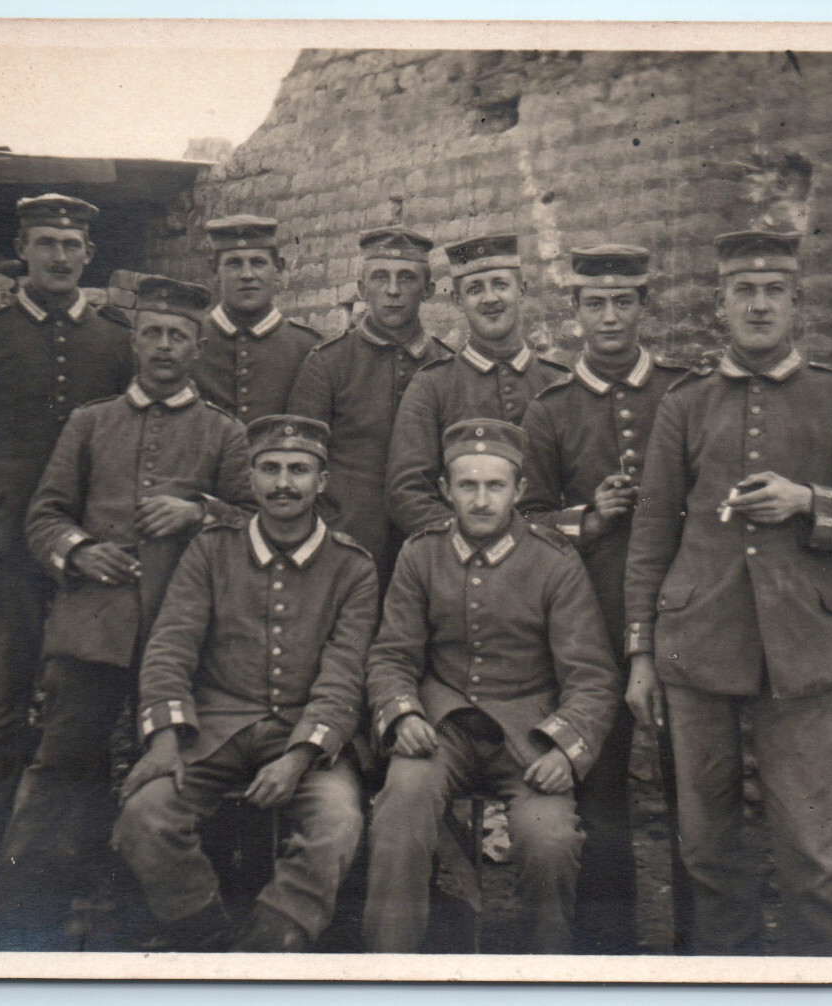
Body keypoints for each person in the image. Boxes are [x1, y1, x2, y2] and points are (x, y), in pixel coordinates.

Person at [624, 231, 832, 956]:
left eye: (773, 291)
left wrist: (808, 501)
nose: (759, 305)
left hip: (804, 650)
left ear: (796, 303)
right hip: (697, 647)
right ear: (720, 306)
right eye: (744, 292)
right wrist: (641, 654)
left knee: (816, 851)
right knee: (707, 849)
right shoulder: (685, 403)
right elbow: (652, 534)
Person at [0, 276, 254, 941]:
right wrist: (78, 552)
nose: (164, 346)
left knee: (174, 768)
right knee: (63, 760)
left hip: (186, 636)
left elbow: (255, 520)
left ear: (198, 347)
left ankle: (155, 911)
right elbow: (44, 516)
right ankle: (21, 908)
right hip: (92, 630)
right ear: (135, 342)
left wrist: (199, 511)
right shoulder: (90, 422)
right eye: (153, 333)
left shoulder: (223, 431)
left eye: (178, 336)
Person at [0, 193, 134, 904]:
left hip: (86, 557)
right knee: (0, 705)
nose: (59, 256)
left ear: (90, 255)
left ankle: (73, 856)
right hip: (6, 554)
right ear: (22, 250)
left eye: (71, 245)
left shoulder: (114, 340)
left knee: (82, 707)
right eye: (45, 243)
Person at [112, 416, 379, 952]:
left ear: (321, 481)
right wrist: (165, 741)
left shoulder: (352, 567)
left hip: (307, 737)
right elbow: (171, 646)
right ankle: (204, 935)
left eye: (298, 470)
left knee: (337, 822)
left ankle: (272, 941)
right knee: (144, 815)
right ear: (251, 478)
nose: (284, 483)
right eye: (270, 469)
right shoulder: (211, 549)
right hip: (214, 729)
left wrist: (298, 758)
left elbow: (344, 675)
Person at [362, 419, 621, 954]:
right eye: (468, 485)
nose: (481, 500)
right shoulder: (420, 553)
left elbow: (592, 677)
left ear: (519, 490)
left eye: (495, 486)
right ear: (445, 489)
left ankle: (545, 973)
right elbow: (392, 654)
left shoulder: (554, 560)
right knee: (399, 812)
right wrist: (403, 714)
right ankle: (389, 967)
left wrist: (566, 752)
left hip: (530, 737)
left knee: (550, 840)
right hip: (440, 729)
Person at [518, 244, 690, 954]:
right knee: (601, 783)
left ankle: (697, 947)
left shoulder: (681, 393)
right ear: (576, 313)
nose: (610, 317)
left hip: (679, 614)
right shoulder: (551, 409)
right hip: (587, 620)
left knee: (691, 785)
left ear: (644, 307)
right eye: (596, 304)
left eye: (624, 302)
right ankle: (608, 948)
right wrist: (587, 519)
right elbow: (527, 520)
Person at [288, 226, 450, 589]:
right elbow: (301, 463)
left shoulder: (446, 366)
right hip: (343, 547)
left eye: (406, 278)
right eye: (380, 278)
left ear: (428, 290)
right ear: (362, 289)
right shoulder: (327, 363)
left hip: (426, 552)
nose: (393, 290)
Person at [384, 234, 567, 537]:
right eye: (474, 289)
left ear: (521, 290)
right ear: (457, 300)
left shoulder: (557, 382)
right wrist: (471, 543)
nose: (490, 298)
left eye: (500, 284)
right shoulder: (432, 386)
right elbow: (407, 493)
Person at [195, 215, 322, 422]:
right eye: (234, 264)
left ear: (278, 269)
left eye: (258, 263)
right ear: (215, 270)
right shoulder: (192, 339)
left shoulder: (307, 347)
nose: (247, 274)